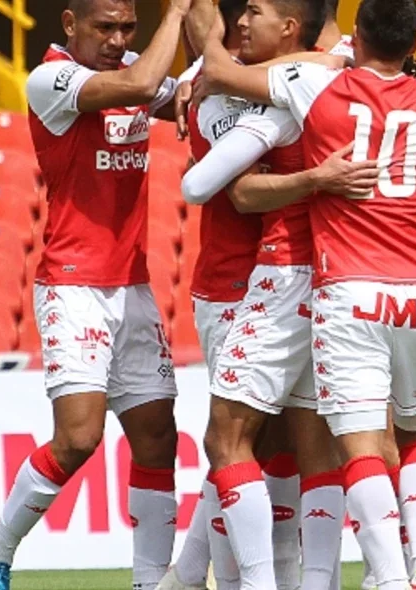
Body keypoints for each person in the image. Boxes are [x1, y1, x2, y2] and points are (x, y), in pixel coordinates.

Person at [192, 0, 416, 587]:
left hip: (344, 285)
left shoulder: (313, 84)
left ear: (357, 37)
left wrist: (201, 24)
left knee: (350, 445)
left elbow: (216, 86)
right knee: (413, 437)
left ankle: (387, 580)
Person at [0, 0, 200, 588]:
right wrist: (175, 13)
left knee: (157, 438)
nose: (118, 39)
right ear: (70, 24)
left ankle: (150, 581)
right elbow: (144, 81)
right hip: (73, 285)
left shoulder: (129, 69)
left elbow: (185, 97)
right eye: (105, 27)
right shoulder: (51, 77)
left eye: (128, 28)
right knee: (78, 438)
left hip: (133, 285)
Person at [160, 4, 258, 589]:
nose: (243, 25)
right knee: (238, 439)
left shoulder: (245, 80)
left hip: (267, 284)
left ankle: (187, 576)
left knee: (246, 441)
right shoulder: (213, 93)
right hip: (230, 286)